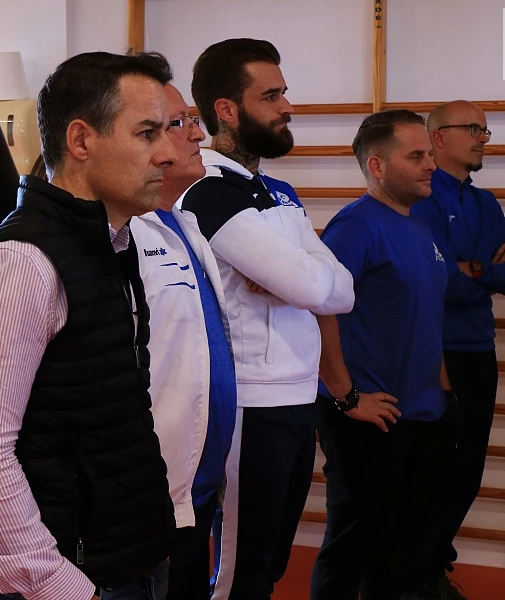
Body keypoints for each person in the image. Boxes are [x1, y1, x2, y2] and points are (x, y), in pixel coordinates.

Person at [0, 51, 178, 600]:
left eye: (167, 131)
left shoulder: (111, 243)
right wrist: (58, 586)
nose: (167, 153)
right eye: (146, 133)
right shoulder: (20, 264)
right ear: (81, 141)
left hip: (130, 557)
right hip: (72, 580)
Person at [179, 38, 355, 600]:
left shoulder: (279, 192)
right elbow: (313, 284)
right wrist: (303, 279)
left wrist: (299, 281)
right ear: (226, 111)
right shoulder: (206, 191)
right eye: (271, 95)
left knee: (273, 558)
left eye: (284, 92)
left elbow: (342, 292)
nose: (287, 107)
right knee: (242, 568)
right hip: (250, 405)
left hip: (301, 399)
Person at [309, 110, 457, 600]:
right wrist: (345, 397)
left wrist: (440, 383)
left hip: (422, 411)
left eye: (430, 155)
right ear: (377, 165)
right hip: (369, 416)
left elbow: (423, 310)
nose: (430, 165)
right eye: (416, 156)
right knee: (355, 545)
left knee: (407, 547)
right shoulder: (356, 227)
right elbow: (318, 310)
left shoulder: (419, 226)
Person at [408, 100, 505, 600]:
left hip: (480, 350)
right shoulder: (423, 195)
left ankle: (431, 568)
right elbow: (437, 279)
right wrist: (486, 269)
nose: (484, 137)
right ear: (438, 137)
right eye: (473, 128)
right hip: (436, 356)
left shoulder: (485, 204)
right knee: (431, 470)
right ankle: (414, 575)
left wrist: (473, 268)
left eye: (485, 128)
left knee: (466, 472)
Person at [128, 81, 236, 600]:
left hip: (201, 481)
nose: (199, 134)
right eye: (179, 123)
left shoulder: (185, 222)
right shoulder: (124, 235)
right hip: (151, 492)